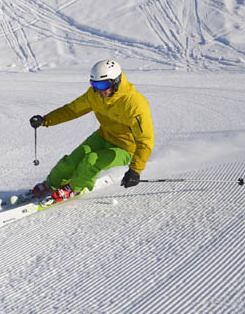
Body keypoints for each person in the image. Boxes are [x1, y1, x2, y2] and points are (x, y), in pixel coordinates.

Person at [28, 60, 154, 206]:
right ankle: (51, 184)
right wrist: (46, 120)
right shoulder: (95, 95)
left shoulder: (134, 104)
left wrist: (135, 170)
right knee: (73, 159)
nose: (99, 91)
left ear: (115, 82)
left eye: (102, 85)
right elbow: (72, 110)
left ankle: (74, 188)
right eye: (94, 85)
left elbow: (146, 140)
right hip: (103, 136)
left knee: (91, 160)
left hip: (126, 148)